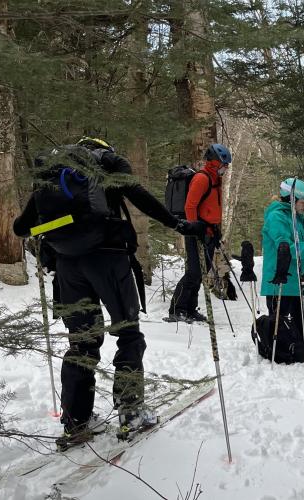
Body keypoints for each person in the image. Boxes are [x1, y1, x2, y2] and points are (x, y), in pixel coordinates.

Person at [13, 137, 204, 449]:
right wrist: (178, 224)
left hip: (67, 267)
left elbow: (21, 229)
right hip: (108, 259)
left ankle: (75, 423)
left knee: (81, 342)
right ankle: (131, 413)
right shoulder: (108, 162)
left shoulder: (55, 172)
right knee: (128, 334)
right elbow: (138, 195)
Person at [261, 178, 304, 363]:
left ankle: (301, 351)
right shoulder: (277, 217)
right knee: (279, 322)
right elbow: (287, 246)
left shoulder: (300, 218)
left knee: (302, 321)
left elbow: (303, 243)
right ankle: (281, 353)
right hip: (281, 279)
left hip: (301, 280)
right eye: (303, 200)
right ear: (291, 199)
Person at [168, 143, 232, 322]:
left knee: (202, 272)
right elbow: (190, 206)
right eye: (224, 164)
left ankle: (189, 309)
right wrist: (194, 229)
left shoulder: (215, 179)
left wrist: (215, 230)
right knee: (194, 272)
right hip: (197, 232)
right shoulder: (202, 178)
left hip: (210, 232)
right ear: (214, 162)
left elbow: (212, 208)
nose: (225, 168)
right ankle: (177, 309)